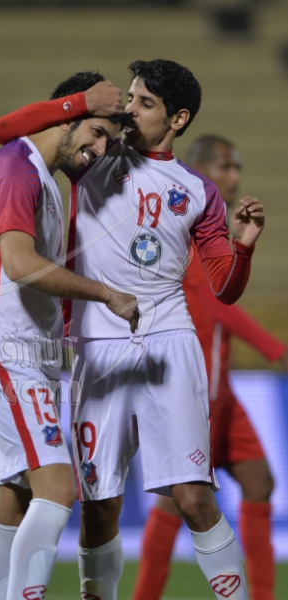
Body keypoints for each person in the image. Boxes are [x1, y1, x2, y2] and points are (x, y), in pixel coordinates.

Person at [0, 60, 265, 600]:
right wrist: (78, 105)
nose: (130, 111)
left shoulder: (199, 191)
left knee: (194, 497)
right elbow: (7, 132)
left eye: (145, 103)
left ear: (178, 119)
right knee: (99, 505)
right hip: (98, 346)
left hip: (170, 346)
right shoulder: (94, 155)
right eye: (131, 98)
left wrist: (245, 247)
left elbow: (224, 287)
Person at [0, 71, 139, 600]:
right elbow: (19, 264)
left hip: (23, 355)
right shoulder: (16, 169)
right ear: (67, 118)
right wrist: (106, 294)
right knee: (58, 487)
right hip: (4, 351)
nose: (99, 149)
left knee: (13, 499)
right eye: (97, 133)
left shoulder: (42, 176)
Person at [132, 135, 288, 600]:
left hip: (223, 394)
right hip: (192, 391)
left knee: (259, 481)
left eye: (237, 168)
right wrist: (274, 348)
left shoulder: (217, 231)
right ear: (200, 172)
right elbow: (220, 305)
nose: (235, 177)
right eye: (225, 167)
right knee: (178, 502)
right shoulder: (189, 229)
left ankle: (262, 595)